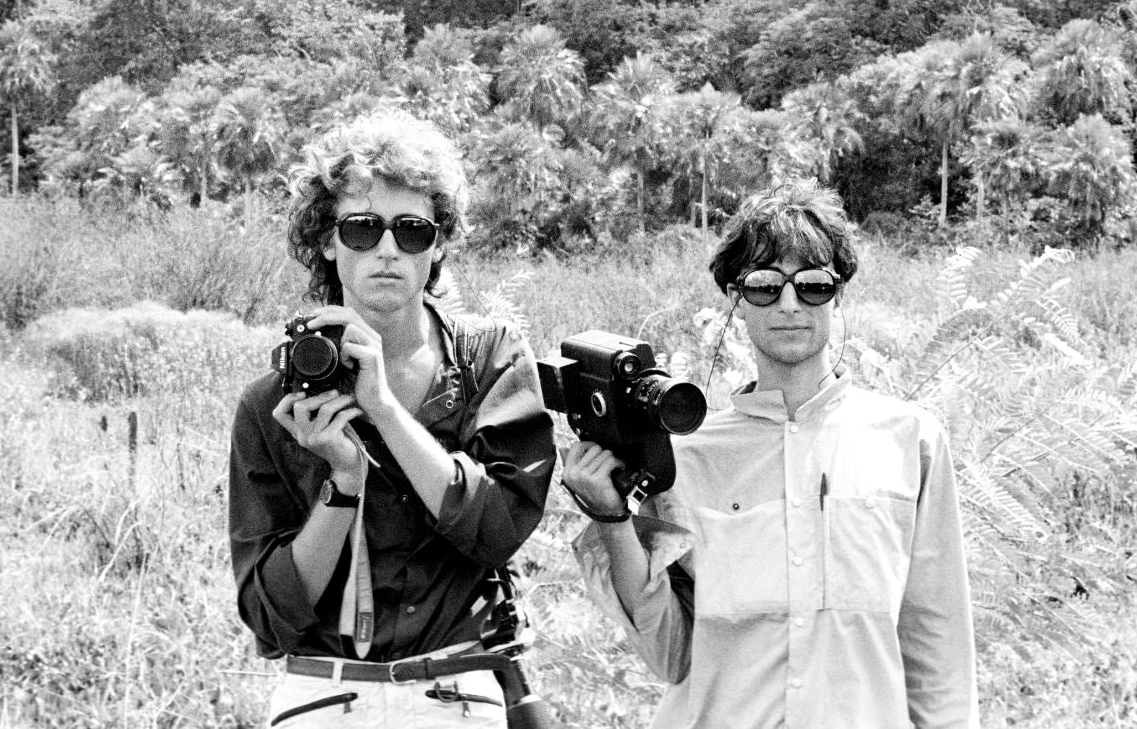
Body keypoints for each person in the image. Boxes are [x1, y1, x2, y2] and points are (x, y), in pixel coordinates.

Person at [562, 179, 979, 728]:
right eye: (763, 285)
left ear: (838, 292)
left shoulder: (908, 442)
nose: (788, 304)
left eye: (812, 285)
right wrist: (612, 519)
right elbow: (670, 656)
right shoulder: (686, 459)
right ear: (736, 296)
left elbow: (937, 642)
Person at [228, 108, 556, 728]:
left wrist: (384, 411)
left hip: (455, 690)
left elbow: (499, 530)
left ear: (438, 246)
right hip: (324, 694)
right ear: (326, 241)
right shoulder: (273, 405)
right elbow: (271, 616)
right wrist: (344, 482)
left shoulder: (490, 358)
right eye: (360, 229)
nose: (386, 250)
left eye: (410, 231)